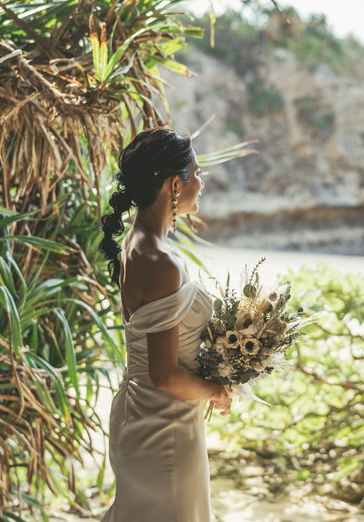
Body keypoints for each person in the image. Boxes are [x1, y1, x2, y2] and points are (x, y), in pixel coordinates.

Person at [98, 126, 231, 522]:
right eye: (197, 172)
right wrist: (217, 392)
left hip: (146, 415)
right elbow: (166, 375)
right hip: (164, 426)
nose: (202, 182)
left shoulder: (138, 243)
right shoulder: (159, 260)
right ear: (176, 184)